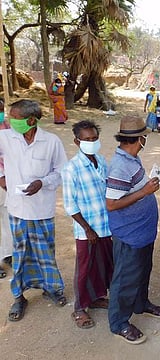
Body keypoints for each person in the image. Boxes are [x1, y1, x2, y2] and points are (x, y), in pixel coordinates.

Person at [0, 99, 68, 321]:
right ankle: (19, 296)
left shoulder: (51, 141)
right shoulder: (6, 137)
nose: (10, 121)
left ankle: (51, 288)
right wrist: (1, 177)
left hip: (42, 209)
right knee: (20, 254)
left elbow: (61, 171)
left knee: (45, 253)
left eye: (15, 118)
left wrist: (43, 182)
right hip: (17, 209)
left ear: (31, 120)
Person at [106, 116, 160, 345]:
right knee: (125, 279)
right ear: (139, 139)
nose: (145, 140)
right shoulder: (120, 165)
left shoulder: (132, 158)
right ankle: (119, 323)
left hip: (143, 232)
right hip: (129, 234)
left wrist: (147, 185)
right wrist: (144, 192)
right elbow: (111, 204)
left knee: (143, 271)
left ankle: (141, 303)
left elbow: (132, 189)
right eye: (144, 137)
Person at [61, 120, 114, 329]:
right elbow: (69, 204)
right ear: (77, 141)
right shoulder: (71, 169)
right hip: (88, 230)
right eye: (87, 139)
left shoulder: (101, 161)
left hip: (105, 225)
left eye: (94, 138)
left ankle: (97, 296)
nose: (91, 142)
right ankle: (79, 308)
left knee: (103, 264)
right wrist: (87, 228)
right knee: (84, 268)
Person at [0, 98, 12, 279]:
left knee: (8, 218)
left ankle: (7, 253)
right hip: (2, 179)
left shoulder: (6, 126)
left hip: (8, 180)